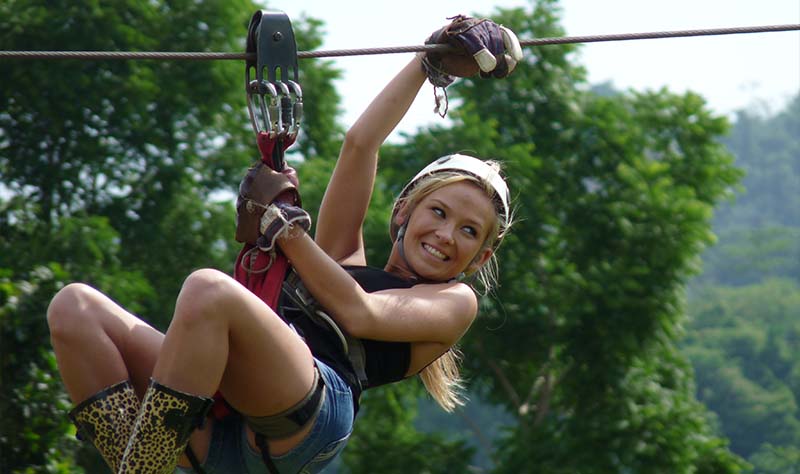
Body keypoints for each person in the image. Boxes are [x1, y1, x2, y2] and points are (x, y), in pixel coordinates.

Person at [46, 15, 522, 474]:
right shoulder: (340, 261)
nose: (445, 234)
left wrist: (285, 229)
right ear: (403, 212)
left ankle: (142, 465)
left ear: (480, 256)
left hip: (309, 415)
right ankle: (139, 463)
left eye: (468, 231)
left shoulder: (455, 302)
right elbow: (360, 144)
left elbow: (362, 314)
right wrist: (426, 63)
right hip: (220, 415)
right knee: (74, 309)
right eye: (438, 212)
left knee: (209, 290)